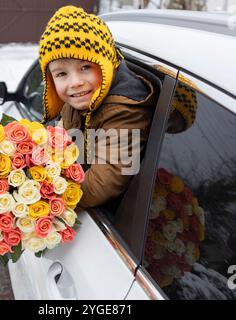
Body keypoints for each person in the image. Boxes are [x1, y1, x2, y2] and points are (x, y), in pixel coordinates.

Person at [38, 5, 156, 208]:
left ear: (107, 64)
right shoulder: (78, 101)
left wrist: (42, 196)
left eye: (85, 67)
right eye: (61, 74)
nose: (75, 82)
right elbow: (63, 141)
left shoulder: (126, 112)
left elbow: (103, 185)